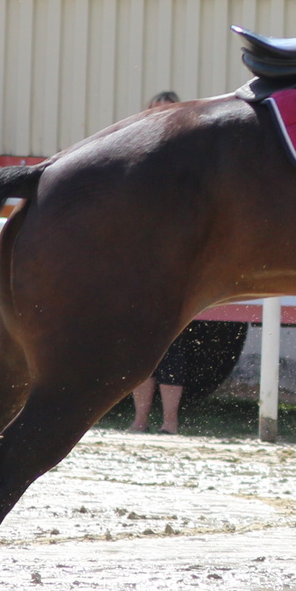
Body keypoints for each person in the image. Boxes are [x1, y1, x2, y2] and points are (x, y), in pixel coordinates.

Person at [130, 90, 192, 434]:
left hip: (177, 262)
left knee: (173, 341)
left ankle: (170, 423)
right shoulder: (134, 153)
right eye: (156, 112)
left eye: (169, 112)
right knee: (139, 341)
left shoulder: (193, 157)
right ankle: (139, 420)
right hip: (140, 260)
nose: (162, 118)